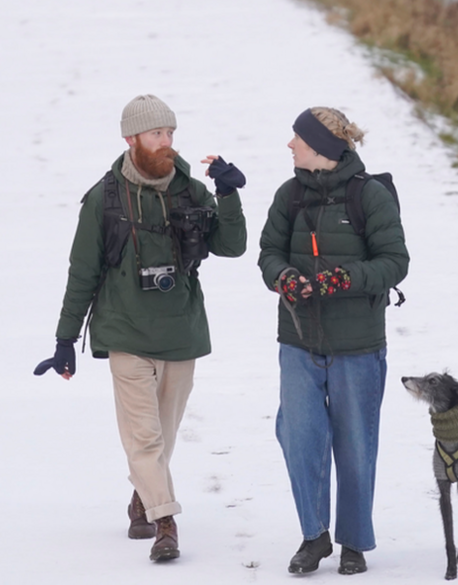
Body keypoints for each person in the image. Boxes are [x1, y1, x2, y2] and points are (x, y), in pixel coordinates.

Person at [34, 94, 247, 562]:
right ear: (131, 139)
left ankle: (142, 497)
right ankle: (165, 522)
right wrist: (65, 340)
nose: (166, 143)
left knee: (163, 434)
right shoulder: (104, 199)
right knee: (144, 436)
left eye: (171, 133)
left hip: (181, 332)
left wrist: (228, 195)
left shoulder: (191, 190)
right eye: (156, 134)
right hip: (125, 332)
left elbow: (232, 247)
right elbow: (82, 271)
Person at [257, 107, 409, 576]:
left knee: (356, 444)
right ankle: (314, 535)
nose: (290, 146)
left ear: (321, 146)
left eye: (297, 139)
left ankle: (354, 544)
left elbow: (394, 263)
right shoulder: (289, 195)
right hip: (299, 340)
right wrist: (284, 277)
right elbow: (268, 253)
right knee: (298, 436)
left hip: (358, 345)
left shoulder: (372, 197)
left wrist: (340, 278)